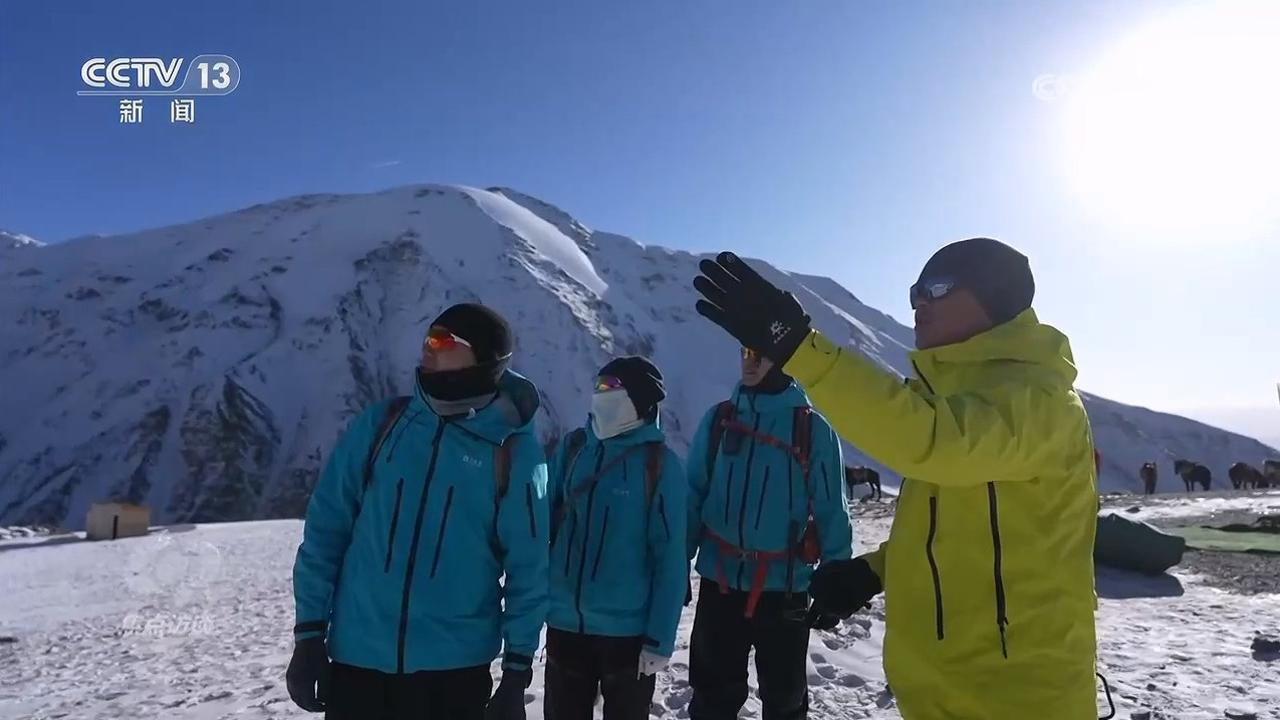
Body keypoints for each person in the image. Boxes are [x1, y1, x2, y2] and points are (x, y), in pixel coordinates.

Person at [692, 240, 1099, 720]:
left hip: (1019, 695)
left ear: (994, 297)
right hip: (940, 688)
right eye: (914, 292)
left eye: (937, 288)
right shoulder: (951, 397)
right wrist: (874, 571)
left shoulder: (1039, 400)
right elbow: (954, 530)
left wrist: (801, 350)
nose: (918, 303)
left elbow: (930, 441)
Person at [287, 303, 549, 720]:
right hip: (357, 665)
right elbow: (326, 530)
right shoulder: (382, 425)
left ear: (483, 358)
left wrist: (517, 674)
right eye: (428, 336)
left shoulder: (512, 453)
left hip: (453, 676)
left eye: (444, 340)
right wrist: (309, 635)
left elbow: (529, 570)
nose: (429, 347)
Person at [684, 345, 853, 720]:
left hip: (785, 586)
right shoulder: (718, 421)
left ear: (784, 359)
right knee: (711, 699)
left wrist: (835, 582)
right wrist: (678, 562)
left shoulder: (812, 430)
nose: (750, 360)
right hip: (719, 582)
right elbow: (692, 494)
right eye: (744, 350)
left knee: (785, 701)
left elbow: (831, 511)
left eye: (761, 353)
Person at [543, 356, 688, 720]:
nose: (600, 395)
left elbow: (670, 559)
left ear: (639, 401)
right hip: (564, 622)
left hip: (627, 634)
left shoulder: (659, 465)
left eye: (612, 388)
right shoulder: (575, 449)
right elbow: (544, 524)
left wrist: (659, 638)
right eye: (598, 386)